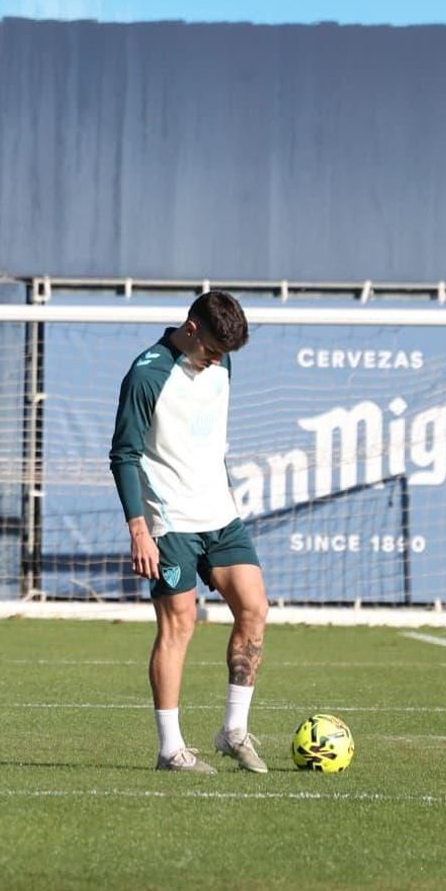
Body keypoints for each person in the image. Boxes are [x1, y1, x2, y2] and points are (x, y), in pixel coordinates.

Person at [109, 290, 270, 774]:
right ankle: (171, 749)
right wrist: (140, 529)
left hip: (220, 515)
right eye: (213, 350)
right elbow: (123, 455)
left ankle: (233, 731)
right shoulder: (148, 373)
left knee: (254, 608)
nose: (218, 360)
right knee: (180, 625)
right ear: (191, 328)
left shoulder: (221, 365)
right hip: (170, 521)